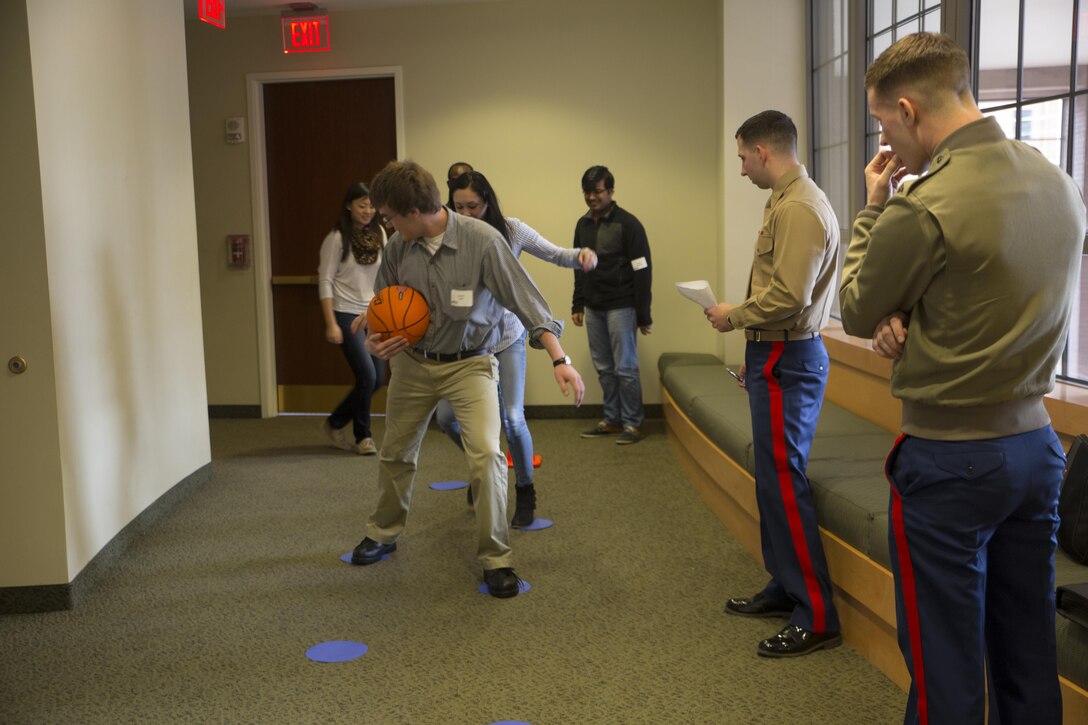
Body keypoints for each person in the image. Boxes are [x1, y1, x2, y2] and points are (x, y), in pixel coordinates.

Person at [839, 32, 1086, 724]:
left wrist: (873, 204)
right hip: (1038, 449)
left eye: (885, 123)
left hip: (951, 458)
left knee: (946, 663)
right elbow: (993, 283)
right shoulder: (1056, 181)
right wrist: (913, 309)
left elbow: (856, 305)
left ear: (910, 110)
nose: (886, 141)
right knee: (1027, 651)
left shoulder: (922, 205)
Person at [349, 160, 585, 599]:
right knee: (396, 453)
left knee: (487, 457)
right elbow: (382, 308)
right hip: (414, 366)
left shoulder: (483, 241)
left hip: (471, 363)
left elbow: (527, 302)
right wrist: (375, 343)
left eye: (390, 217)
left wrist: (560, 359)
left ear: (414, 211)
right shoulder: (400, 247)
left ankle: (496, 559)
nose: (388, 225)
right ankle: (382, 532)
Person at [705, 110, 841, 658]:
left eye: (742, 157)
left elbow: (789, 298)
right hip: (772, 353)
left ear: (764, 150)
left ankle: (817, 613)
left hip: (789, 353)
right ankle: (786, 585)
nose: (740, 169)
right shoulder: (783, 200)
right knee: (771, 480)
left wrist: (732, 316)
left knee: (786, 482)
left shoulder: (803, 207)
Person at [433, 171, 597, 527]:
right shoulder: (451, 235)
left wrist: (580, 256)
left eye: (473, 206)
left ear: (487, 202)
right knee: (445, 418)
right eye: (458, 206)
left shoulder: (511, 230)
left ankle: (525, 489)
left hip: (508, 337)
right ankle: (485, 467)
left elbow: (554, 254)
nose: (466, 213)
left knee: (512, 417)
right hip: (468, 344)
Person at [571, 166, 652, 445]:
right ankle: (612, 420)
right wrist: (577, 304)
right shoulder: (582, 225)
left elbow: (643, 270)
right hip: (593, 308)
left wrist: (643, 314)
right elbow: (578, 267)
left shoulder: (628, 224)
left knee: (626, 368)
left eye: (597, 191)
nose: (591, 197)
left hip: (622, 306)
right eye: (587, 192)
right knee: (604, 368)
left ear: (610, 191)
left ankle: (632, 423)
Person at [318, 182, 387, 456]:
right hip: (346, 313)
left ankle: (336, 421)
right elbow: (324, 280)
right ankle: (364, 437)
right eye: (362, 205)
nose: (368, 210)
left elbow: (388, 271)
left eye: (371, 205)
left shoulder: (381, 233)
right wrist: (331, 323)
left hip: (375, 313)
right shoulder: (336, 239)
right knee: (367, 375)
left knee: (379, 378)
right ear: (349, 206)